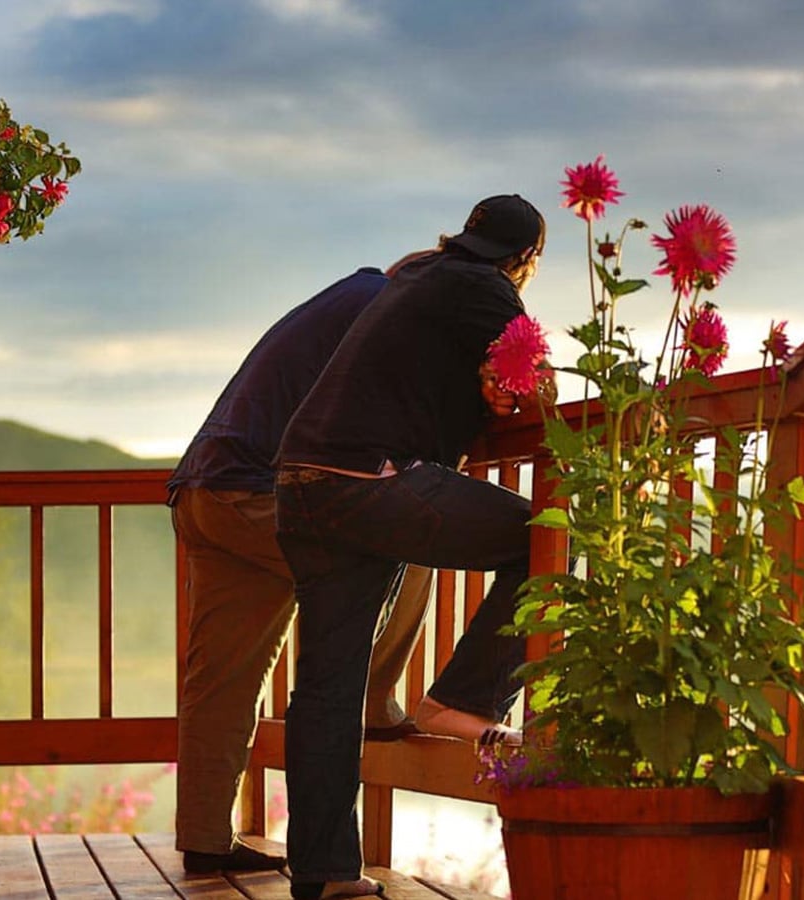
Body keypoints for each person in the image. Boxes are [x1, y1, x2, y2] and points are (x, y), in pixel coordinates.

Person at [273, 194, 547, 900]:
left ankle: (324, 871)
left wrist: (483, 391)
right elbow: (535, 375)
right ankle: (465, 700)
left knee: (328, 686)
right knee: (547, 537)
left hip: (302, 480)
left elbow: (454, 376)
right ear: (525, 261)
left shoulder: (418, 277)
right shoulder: (482, 288)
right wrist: (513, 391)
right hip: (369, 480)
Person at [167, 249, 440, 875]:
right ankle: (373, 699)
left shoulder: (344, 300)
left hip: (206, 487)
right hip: (260, 494)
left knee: (223, 677)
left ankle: (205, 839)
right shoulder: (385, 311)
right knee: (417, 537)